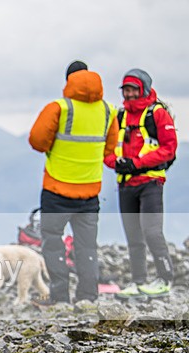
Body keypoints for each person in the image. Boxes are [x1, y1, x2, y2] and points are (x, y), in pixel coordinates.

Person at [28, 61, 118, 306]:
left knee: (53, 243)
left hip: (57, 190)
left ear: (68, 81)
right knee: (87, 246)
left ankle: (59, 297)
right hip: (90, 193)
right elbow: (110, 149)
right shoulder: (109, 111)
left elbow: (37, 141)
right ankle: (88, 297)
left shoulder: (58, 108)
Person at [105, 69, 177, 300]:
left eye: (133, 89)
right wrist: (116, 163)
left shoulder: (157, 114)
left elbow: (169, 149)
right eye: (126, 89)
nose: (129, 93)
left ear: (143, 89)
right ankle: (138, 282)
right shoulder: (119, 116)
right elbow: (106, 150)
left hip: (151, 182)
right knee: (133, 236)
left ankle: (165, 280)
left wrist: (136, 164)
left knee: (152, 232)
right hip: (126, 183)